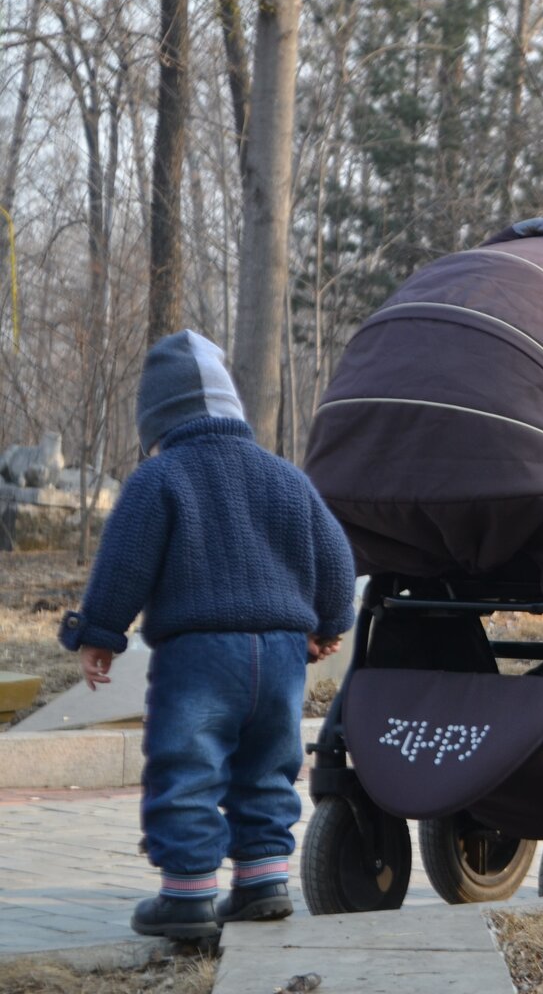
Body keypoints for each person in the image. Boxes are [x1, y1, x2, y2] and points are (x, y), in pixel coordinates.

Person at [59, 329, 356, 941]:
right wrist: (328, 625)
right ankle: (263, 883)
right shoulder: (284, 476)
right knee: (268, 766)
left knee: (187, 766)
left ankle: (190, 896)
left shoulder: (159, 479)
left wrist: (99, 634)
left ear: (156, 423)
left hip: (198, 655)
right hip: (278, 655)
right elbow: (336, 558)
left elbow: (124, 566)